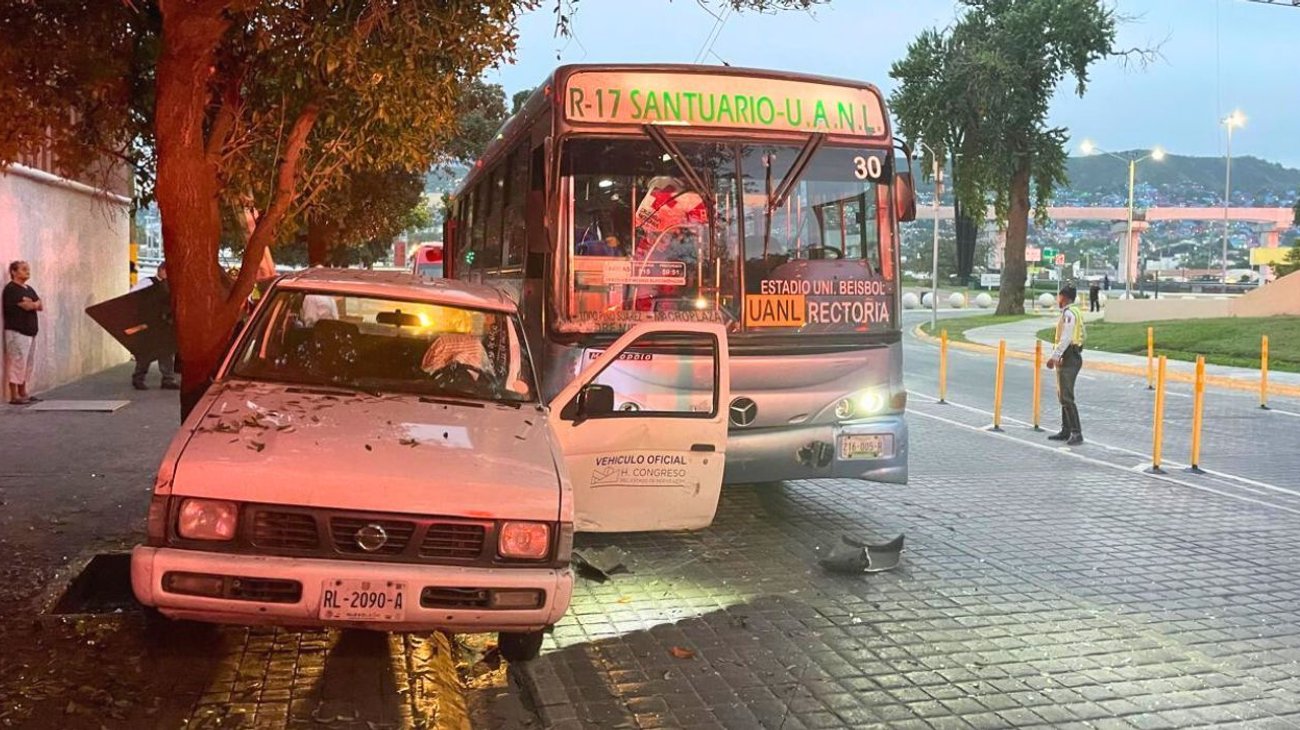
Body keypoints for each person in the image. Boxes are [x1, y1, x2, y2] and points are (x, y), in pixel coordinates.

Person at [1046, 285, 1085, 446]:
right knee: (1062, 394)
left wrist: (1054, 357)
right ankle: (1066, 430)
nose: (1058, 299)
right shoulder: (1074, 312)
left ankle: (1076, 432)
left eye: (1059, 296)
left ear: (1065, 298)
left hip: (1069, 356)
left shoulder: (1069, 314)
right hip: (1070, 355)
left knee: (1066, 396)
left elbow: (1066, 338)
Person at [131, 262, 179, 390]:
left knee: (166, 351)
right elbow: (132, 297)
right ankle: (138, 378)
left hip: (164, 323)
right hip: (150, 322)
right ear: (161, 270)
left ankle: (168, 379)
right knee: (146, 351)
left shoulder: (169, 285)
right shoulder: (147, 282)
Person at [3, 260, 42, 405]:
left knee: (27, 364)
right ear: (14, 272)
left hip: (30, 331)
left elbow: (40, 305)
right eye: (23, 269)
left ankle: (23, 392)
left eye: (28, 269)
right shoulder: (12, 289)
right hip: (17, 332)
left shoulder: (29, 289)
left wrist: (33, 303)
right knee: (17, 362)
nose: (27, 271)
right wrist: (32, 304)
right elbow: (26, 306)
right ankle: (14, 395)